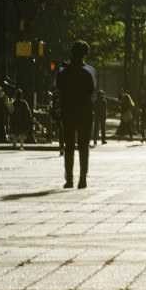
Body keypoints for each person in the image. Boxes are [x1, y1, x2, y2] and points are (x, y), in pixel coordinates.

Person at [56, 41, 95, 189]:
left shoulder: (63, 72)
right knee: (83, 146)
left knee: (69, 146)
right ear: (85, 54)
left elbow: (59, 91)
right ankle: (82, 179)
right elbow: (91, 91)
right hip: (84, 113)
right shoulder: (88, 72)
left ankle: (69, 179)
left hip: (68, 112)